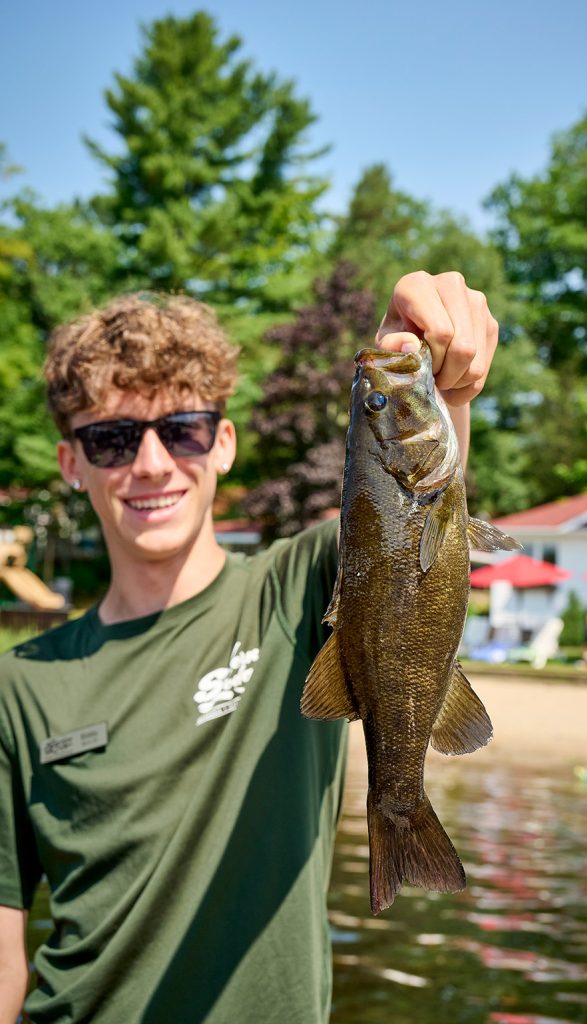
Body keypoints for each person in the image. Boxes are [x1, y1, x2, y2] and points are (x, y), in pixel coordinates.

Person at [0, 271, 499, 1023]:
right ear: (72, 463)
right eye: (110, 438)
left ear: (223, 443)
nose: (152, 464)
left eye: (183, 429)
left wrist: (436, 375)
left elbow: (408, 532)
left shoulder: (298, 590)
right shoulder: (17, 685)